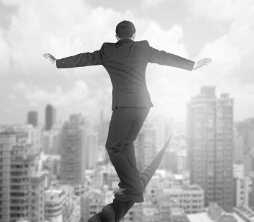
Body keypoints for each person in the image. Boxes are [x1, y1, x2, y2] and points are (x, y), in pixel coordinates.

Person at [43, 20, 211, 203]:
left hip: (124, 106)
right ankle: (134, 182)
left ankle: (133, 190)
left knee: (112, 147)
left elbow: (84, 58)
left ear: (116, 37)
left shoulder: (108, 51)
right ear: (134, 35)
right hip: (143, 106)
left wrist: (57, 62)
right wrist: (193, 65)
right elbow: (165, 57)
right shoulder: (143, 48)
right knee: (126, 143)